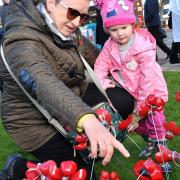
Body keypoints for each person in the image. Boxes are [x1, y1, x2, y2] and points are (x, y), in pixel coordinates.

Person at [0, 0, 134, 179]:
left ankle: (87, 148)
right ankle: (17, 168)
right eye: (72, 13)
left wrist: (133, 68)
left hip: (71, 95)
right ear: (50, 3)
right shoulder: (20, 39)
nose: (77, 22)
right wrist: (88, 120)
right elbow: (42, 83)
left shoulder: (68, 28)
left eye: (84, 17)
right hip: (35, 122)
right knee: (81, 175)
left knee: (124, 100)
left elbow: (97, 58)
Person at [93, 0, 169, 159]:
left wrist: (140, 109)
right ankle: (150, 144)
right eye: (114, 30)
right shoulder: (110, 45)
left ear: (133, 25)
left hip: (151, 94)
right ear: (107, 30)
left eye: (124, 27)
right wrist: (103, 82)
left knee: (155, 122)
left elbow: (147, 80)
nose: (120, 33)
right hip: (131, 91)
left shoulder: (143, 47)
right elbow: (100, 66)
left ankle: (162, 151)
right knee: (139, 125)